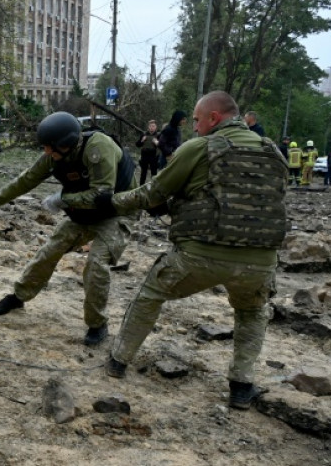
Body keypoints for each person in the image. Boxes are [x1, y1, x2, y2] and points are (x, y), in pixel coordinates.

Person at [95, 91, 288, 410]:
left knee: (150, 294)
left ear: (214, 118)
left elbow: (152, 192)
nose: (194, 127)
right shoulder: (272, 151)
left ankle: (117, 361)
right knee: (252, 312)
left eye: (197, 120)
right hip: (261, 261)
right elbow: (252, 201)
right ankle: (241, 386)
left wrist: (112, 202)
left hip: (200, 256)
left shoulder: (199, 147)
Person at [0, 112, 135, 346]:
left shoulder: (98, 148)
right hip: (85, 214)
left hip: (117, 213)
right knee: (49, 252)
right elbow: (26, 179)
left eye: (50, 148)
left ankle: (97, 324)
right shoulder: (57, 155)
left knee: (96, 265)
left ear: (66, 143)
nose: (46, 153)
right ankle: (19, 296)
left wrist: (63, 199)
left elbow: (102, 195)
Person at [136, 120, 160, 185]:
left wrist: (157, 143)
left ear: (156, 127)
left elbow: (162, 146)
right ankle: (140, 188)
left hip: (153, 156)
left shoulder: (158, 135)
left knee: (154, 174)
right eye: (150, 126)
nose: (152, 127)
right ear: (148, 127)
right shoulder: (144, 134)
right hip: (144, 155)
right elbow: (137, 145)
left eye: (153, 126)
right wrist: (142, 140)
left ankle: (153, 188)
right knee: (143, 173)